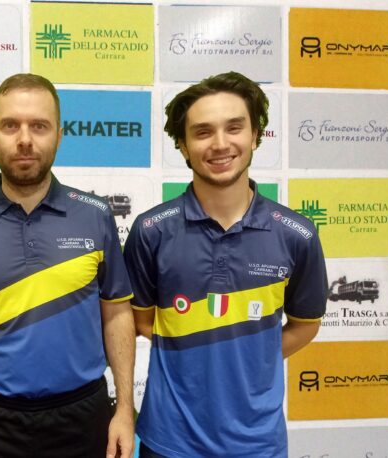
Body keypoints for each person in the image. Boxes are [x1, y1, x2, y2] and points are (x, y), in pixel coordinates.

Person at [123, 71, 328, 457]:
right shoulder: (151, 231)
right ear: (182, 146)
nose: (220, 144)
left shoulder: (296, 234)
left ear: (255, 135)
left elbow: (305, 325)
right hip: (169, 441)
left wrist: (251, 355)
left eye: (234, 127)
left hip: (257, 443)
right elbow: (141, 321)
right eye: (202, 132)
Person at [0, 73, 136, 458]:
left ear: (59, 135)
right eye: (10, 125)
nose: (24, 139)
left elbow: (116, 313)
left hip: (83, 416)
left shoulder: (95, 216)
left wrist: (125, 410)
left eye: (39, 126)